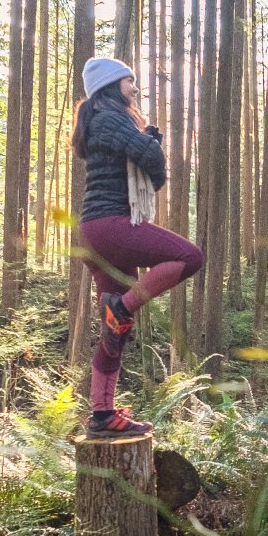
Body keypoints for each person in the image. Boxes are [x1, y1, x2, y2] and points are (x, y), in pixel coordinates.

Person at [72, 57, 204, 438]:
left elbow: (149, 163)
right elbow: (151, 161)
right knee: (189, 257)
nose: (134, 87)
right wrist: (154, 148)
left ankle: (102, 415)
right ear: (113, 84)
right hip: (112, 226)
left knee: (117, 333)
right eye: (129, 80)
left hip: (95, 233)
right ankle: (122, 306)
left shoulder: (98, 120)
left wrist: (151, 149)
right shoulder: (110, 118)